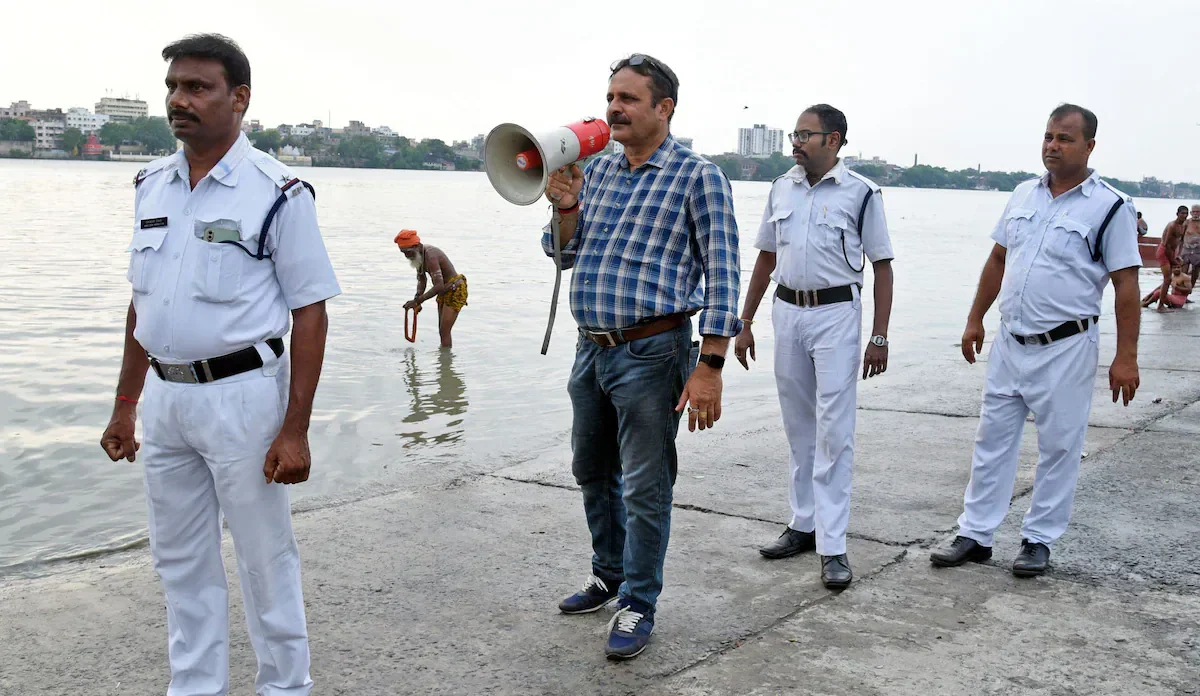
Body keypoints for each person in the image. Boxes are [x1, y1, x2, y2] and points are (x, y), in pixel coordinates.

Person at [99, 34, 340, 695]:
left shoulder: (277, 193)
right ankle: (195, 686)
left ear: (239, 99)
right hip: (166, 400)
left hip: (244, 399)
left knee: (264, 559)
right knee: (179, 561)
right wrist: (125, 407)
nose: (180, 100)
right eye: (173, 86)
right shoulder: (152, 184)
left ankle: (285, 687)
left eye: (197, 87)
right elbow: (141, 306)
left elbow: (310, 314)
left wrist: (295, 429)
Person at [541, 53, 741, 660]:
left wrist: (710, 367)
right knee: (590, 469)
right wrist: (567, 205)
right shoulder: (595, 169)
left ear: (664, 108)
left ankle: (639, 601)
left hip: (653, 353)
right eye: (611, 97)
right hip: (591, 349)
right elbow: (561, 254)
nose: (613, 108)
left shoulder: (697, 176)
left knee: (646, 485)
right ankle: (609, 575)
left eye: (628, 98)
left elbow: (725, 273)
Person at [929, 104, 1140, 578]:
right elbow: (999, 260)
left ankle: (1038, 539)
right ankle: (976, 534)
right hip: (1010, 341)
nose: (1052, 145)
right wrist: (974, 319)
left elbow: (1127, 285)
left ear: (1089, 146)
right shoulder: (1023, 195)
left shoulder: (1110, 206)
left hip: (1066, 346)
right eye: (1048, 136)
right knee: (992, 439)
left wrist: (1126, 357)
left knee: (1060, 445)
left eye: (1064, 138)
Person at [733, 104, 894, 590]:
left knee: (835, 431)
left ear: (835, 140)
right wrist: (745, 321)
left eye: (806, 134)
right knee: (799, 425)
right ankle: (803, 524)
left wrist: (879, 335)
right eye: (794, 134)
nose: (796, 142)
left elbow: (882, 266)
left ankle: (834, 545)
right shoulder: (782, 188)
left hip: (835, 315)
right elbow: (766, 255)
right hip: (788, 312)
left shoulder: (862, 194)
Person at [396, 230, 467, 348]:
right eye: (403, 253)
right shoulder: (419, 256)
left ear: (417, 246)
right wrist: (416, 298)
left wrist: (418, 301)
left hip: (455, 290)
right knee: (442, 331)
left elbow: (438, 285)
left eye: (408, 252)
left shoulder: (430, 256)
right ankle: (444, 364)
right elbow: (422, 279)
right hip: (444, 292)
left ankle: (446, 361)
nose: (407, 256)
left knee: (444, 331)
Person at [1154, 206, 1189, 312]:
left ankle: (1148, 300)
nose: (1184, 215)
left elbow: (1180, 241)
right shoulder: (1172, 226)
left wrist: (1178, 255)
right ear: (1177, 214)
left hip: (1172, 252)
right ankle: (1160, 306)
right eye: (1182, 213)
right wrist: (1173, 261)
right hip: (1164, 252)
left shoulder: (1184, 225)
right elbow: (1166, 245)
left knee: (1168, 279)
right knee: (1168, 279)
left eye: (1186, 213)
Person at [1185, 205, 1200, 284]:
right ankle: (1181, 290)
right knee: (1183, 270)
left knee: (1195, 272)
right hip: (1186, 249)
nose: (1195, 214)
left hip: (1198, 251)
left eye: (1197, 212)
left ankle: (1190, 288)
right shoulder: (1187, 222)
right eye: (1193, 212)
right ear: (1190, 213)